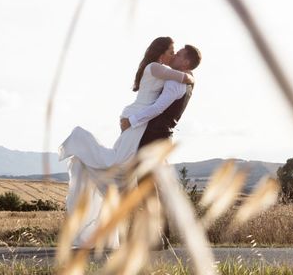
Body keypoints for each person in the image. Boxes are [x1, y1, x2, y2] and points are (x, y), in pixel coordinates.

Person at [58, 36, 198, 248]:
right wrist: (190, 77)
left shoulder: (175, 79)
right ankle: (158, 237)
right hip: (145, 129)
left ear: (186, 62)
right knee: (144, 183)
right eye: (172, 51)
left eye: (178, 53)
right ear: (162, 52)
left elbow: (160, 107)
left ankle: (157, 237)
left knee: (145, 185)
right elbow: (178, 84)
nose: (174, 54)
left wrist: (132, 121)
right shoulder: (164, 71)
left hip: (148, 133)